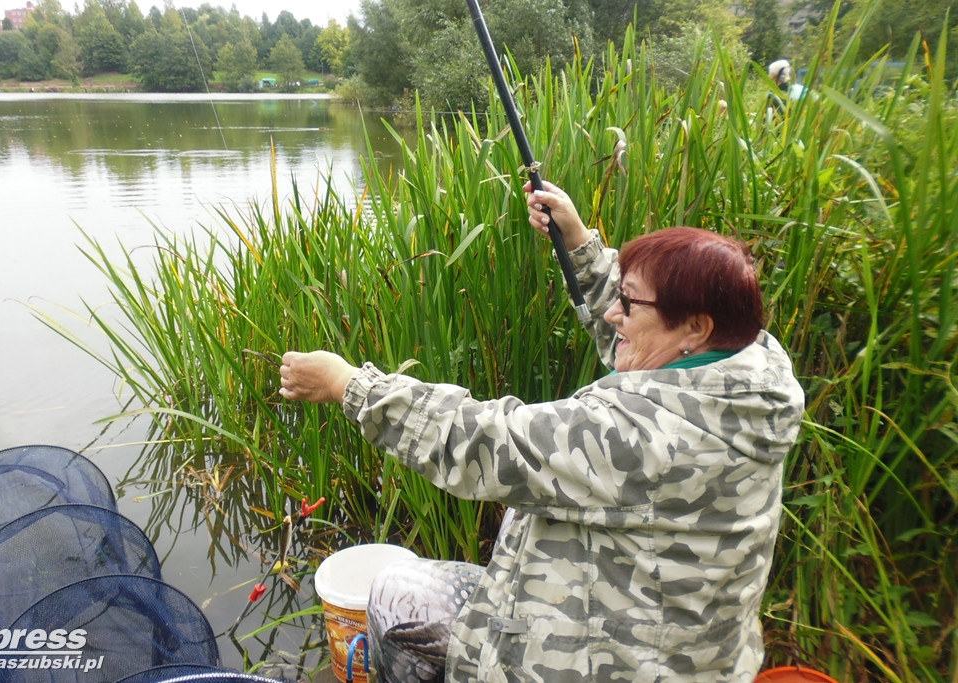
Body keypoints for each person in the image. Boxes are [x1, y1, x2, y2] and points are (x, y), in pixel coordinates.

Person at [278, 181, 805, 682]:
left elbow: (487, 441)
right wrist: (577, 243)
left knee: (396, 591)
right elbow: (642, 335)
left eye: (630, 302)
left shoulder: (652, 435)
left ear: (696, 328)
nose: (615, 313)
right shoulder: (746, 372)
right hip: (675, 648)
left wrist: (349, 385)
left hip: (614, 662)